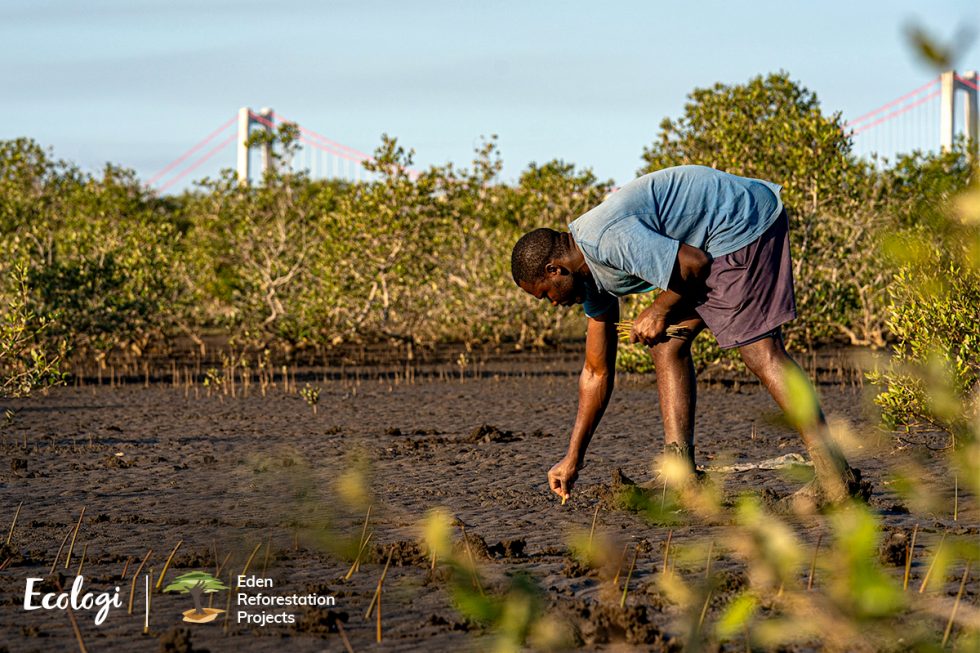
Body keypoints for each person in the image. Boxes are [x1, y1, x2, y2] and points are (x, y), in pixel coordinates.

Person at [510, 165, 862, 508]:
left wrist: (659, 310)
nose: (554, 304)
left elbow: (694, 265)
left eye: (546, 294)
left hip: (741, 224)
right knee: (667, 344)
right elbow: (596, 372)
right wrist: (572, 459)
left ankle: (835, 476)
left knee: (760, 351)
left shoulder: (606, 239)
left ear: (554, 270)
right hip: (711, 244)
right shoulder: (587, 279)